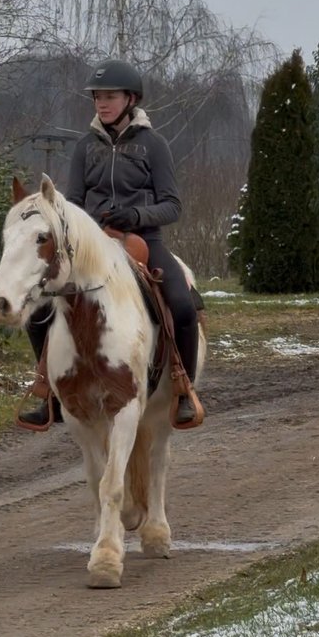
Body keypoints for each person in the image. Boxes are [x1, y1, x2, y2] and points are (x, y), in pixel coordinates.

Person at [18, 58, 200, 428]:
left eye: (110, 96)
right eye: (97, 97)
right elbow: (72, 203)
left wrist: (136, 217)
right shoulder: (86, 147)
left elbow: (173, 205)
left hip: (142, 240)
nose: (102, 103)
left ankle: (184, 389)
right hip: (93, 244)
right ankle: (49, 394)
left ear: (131, 99)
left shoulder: (154, 145)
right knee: (37, 311)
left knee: (182, 306)